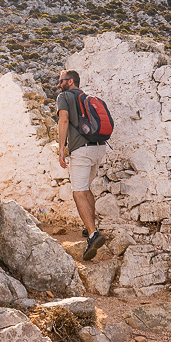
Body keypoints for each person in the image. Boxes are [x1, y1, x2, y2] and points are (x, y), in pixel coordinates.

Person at [56, 69, 107, 260]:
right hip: (98, 148)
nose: (58, 84)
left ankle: (94, 235)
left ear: (70, 81)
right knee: (86, 189)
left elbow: (63, 120)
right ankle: (90, 228)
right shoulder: (86, 97)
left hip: (81, 150)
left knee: (78, 192)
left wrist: (62, 148)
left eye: (61, 81)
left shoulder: (65, 96)